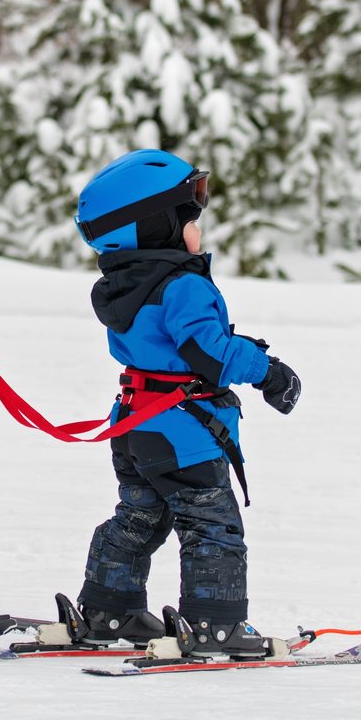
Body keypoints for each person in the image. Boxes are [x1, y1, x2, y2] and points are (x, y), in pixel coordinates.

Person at [71, 149, 302, 652]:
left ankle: (109, 611)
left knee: (140, 517)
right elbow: (208, 353)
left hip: (135, 425)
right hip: (183, 433)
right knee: (212, 528)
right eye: (189, 218)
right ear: (154, 226)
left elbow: (174, 349)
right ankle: (214, 624)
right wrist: (268, 372)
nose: (198, 229)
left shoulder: (125, 286)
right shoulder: (183, 286)